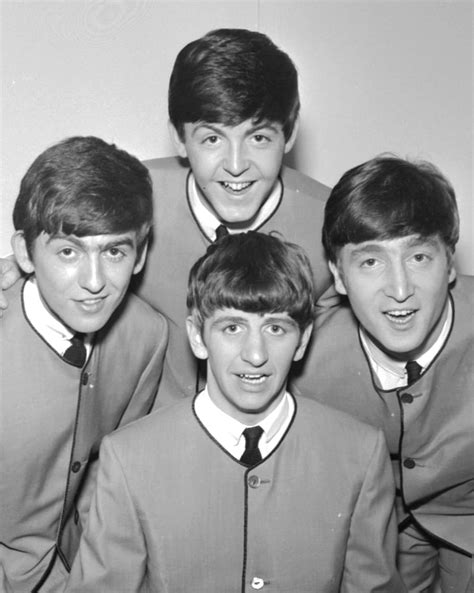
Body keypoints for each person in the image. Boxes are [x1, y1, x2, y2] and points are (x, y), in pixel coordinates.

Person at [0, 28, 335, 400]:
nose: (236, 165)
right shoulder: (131, 197)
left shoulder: (332, 223)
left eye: (259, 138)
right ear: (178, 137)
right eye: (212, 138)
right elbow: (55, 243)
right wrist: (11, 269)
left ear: (290, 133)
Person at [65, 231, 405, 593]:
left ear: (303, 340)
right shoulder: (129, 457)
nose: (255, 354)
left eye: (276, 328)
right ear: (198, 336)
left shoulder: (360, 453)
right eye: (232, 327)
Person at [292, 155, 474, 592]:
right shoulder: (302, 354)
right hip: (376, 531)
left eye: (419, 257)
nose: (400, 289)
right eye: (371, 262)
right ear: (338, 276)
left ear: (450, 263)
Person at [0, 136, 168, 593]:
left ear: (140, 254)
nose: (95, 282)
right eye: (68, 252)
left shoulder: (146, 335)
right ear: (24, 253)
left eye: (114, 252)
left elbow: (109, 479)